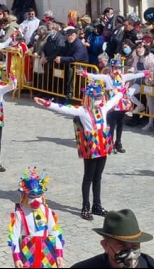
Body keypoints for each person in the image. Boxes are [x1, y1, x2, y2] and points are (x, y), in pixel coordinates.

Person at [34, 80, 122, 220]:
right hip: (91, 146)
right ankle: (85, 206)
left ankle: (97, 205)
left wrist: (123, 91)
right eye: (97, 97)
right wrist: (46, 103)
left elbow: (115, 99)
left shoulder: (103, 108)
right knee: (88, 177)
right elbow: (63, 108)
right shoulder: (83, 111)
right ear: (90, 98)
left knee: (98, 177)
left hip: (103, 146)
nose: (100, 99)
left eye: (100, 97)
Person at [78, 56, 151, 154]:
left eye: (119, 68)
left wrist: (144, 73)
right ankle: (110, 143)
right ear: (111, 68)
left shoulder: (123, 77)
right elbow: (96, 76)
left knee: (120, 123)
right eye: (115, 68)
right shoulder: (107, 77)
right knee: (111, 124)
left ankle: (118, 142)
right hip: (111, 104)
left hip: (121, 104)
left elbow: (134, 75)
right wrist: (85, 74)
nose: (117, 70)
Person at [8, 167, 64, 268]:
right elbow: (14, 236)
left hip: (47, 255)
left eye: (38, 195)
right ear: (25, 196)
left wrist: (59, 254)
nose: (36, 200)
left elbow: (55, 233)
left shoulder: (47, 211)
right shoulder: (20, 213)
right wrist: (17, 257)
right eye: (32, 196)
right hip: (27, 255)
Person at [71, 209, 154, 268]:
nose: (130, 252)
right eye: (122, 245)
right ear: (105, 245)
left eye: (134, 245)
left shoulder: (149, 265)